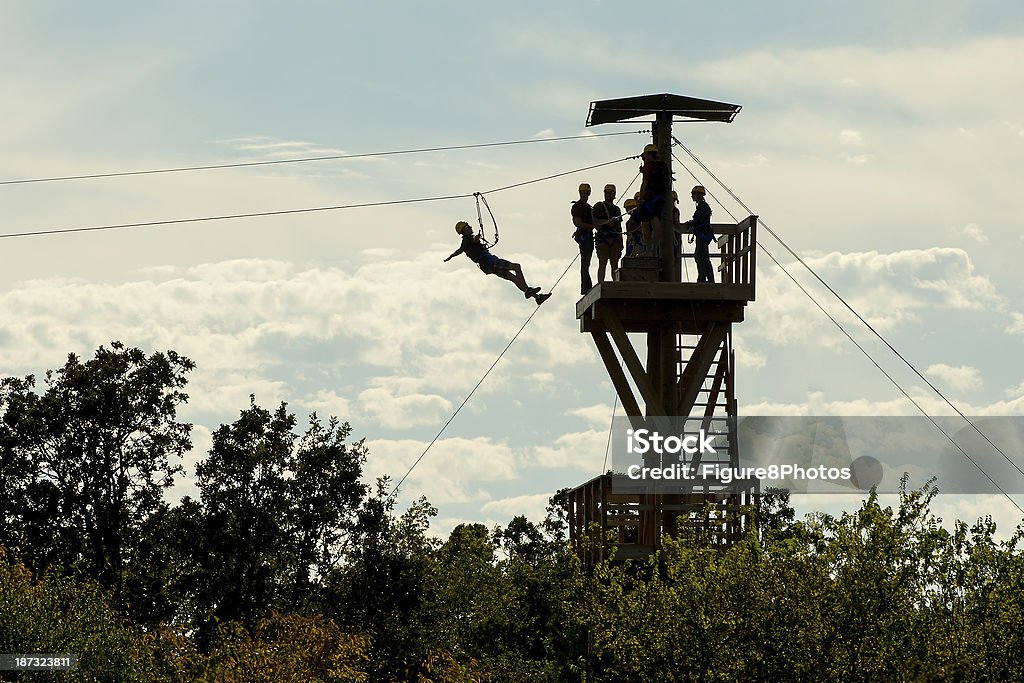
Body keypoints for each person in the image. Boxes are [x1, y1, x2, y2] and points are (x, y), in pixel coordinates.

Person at [444, 221, 552, 304]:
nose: (471, 227)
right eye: (468, 226)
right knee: (516, 267)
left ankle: (537, 298)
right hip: (489, 262)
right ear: (465, 230)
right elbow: (474, 239)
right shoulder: (469, 239)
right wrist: (478, 237)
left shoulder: (464, 243)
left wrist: (450, 256)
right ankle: (528, 290)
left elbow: (459, 251)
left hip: (487, 265)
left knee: (512, 277)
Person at [636, 144, 672, 256]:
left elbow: (645, 183)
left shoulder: (648, 167)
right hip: (660, 198)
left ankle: (648, 249)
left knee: (645, 224)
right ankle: (654, 249)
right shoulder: (662, 166)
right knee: (656, 221)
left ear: (647, 154)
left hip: (648, 199)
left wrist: (640, 198)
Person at [681, 185, 715, 283]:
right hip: (703, 235)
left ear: (699, 195)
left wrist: (689, 224)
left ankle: (702, 279)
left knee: (699, 256)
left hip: (703, 235)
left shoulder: (703, 207)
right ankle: (709, 279)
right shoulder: (702, 206)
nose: (692, 196)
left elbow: (697, 220)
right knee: (704, 257)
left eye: (693, 194)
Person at [592, 183, 624, 283]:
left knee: (614, 263)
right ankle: (600, 283)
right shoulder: (599, 206)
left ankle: (615, 283)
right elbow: (595, 223)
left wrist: (621, 243)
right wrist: (607, 222)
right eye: (607, 192)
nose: (608, 194)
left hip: (615, 240)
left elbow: (619, 228)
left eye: (611, 193)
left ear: (614, 195)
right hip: (603, 238)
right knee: (603, 263)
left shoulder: (616, 209)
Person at [571, 183, 595, 295]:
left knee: (586, 263)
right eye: (583, 193)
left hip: (587, 236)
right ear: (580, 193)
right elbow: (578, 223)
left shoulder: (588, 207)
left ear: (589, 193)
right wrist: (592, 226)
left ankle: (586, 287)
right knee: (585, 263)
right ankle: (586, 288)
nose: (585, 195)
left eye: (586, 193)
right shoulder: (578, 207)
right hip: (584, 237)